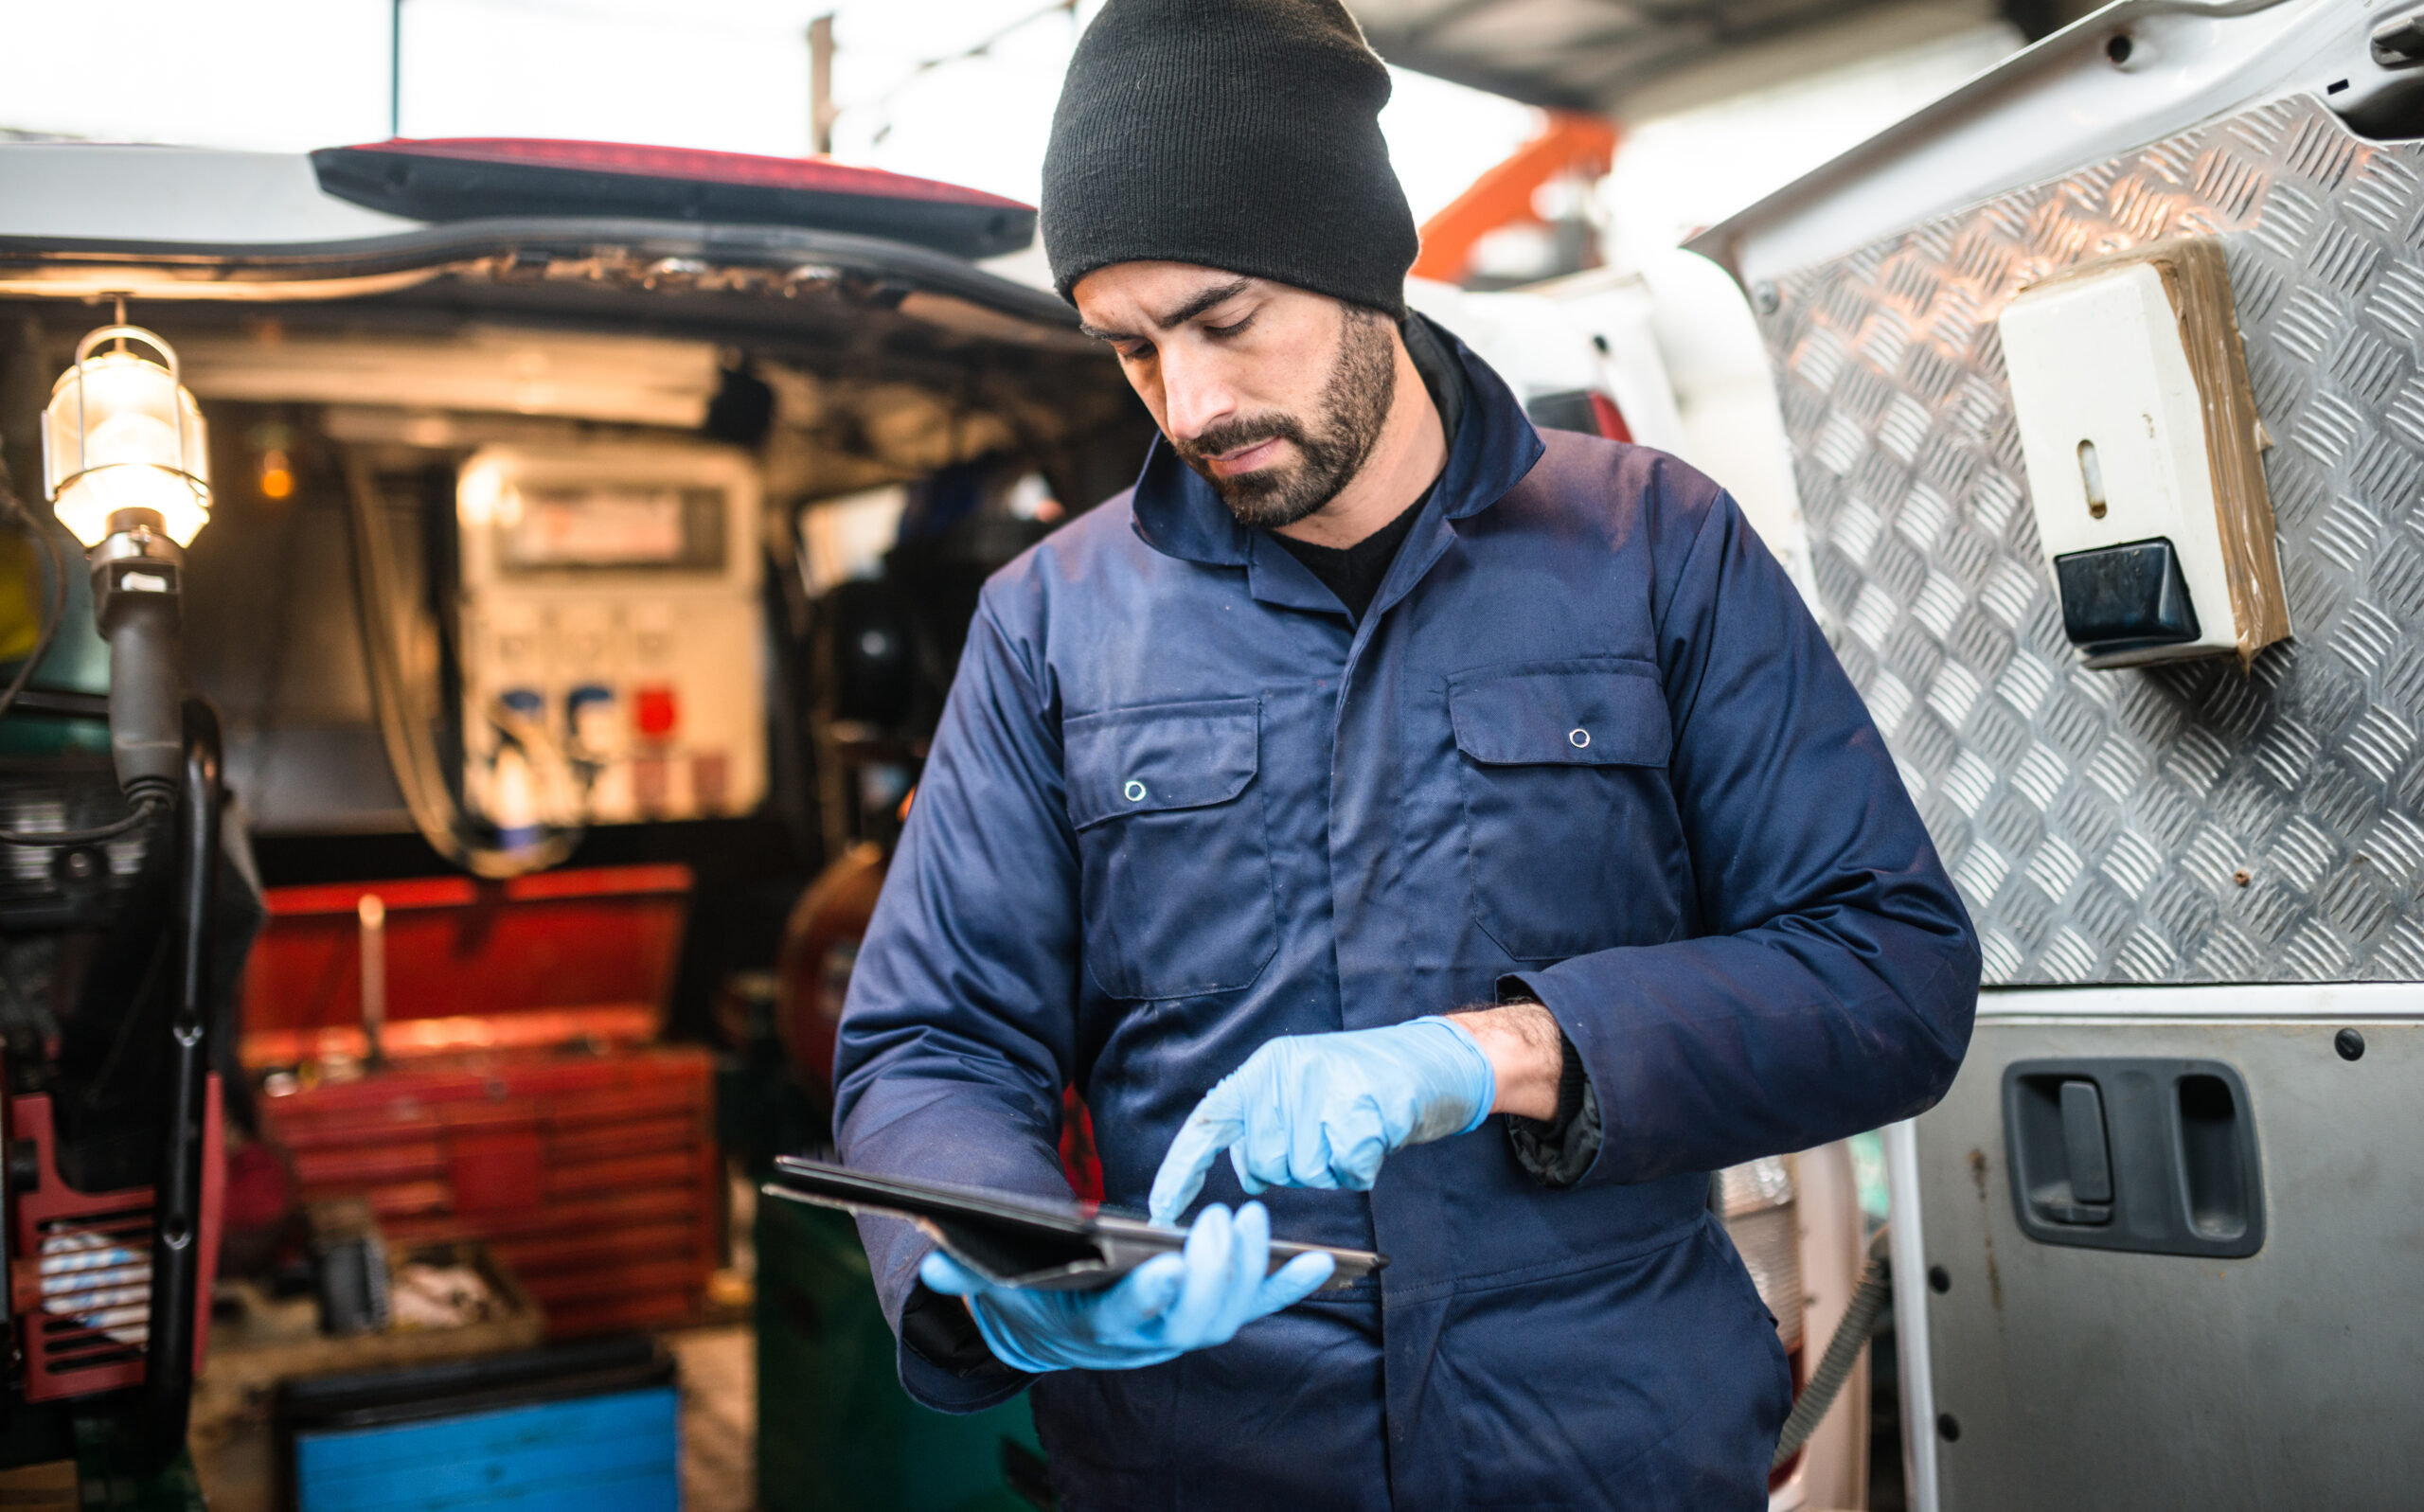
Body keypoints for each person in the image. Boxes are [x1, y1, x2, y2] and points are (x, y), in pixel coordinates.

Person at [830, 1, 1980, 1505]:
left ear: (1361, 259)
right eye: (1131, 349)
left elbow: (1886, 971)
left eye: (1227, 320)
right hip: (1212, 1459)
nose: (1191, 403)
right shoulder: (1053, 623)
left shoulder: (1653, 547)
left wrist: (1497, 1053)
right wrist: (1002, 1260)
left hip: (1601, 1449)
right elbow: (932, 1042)